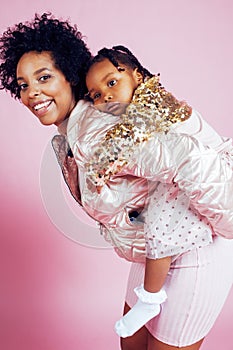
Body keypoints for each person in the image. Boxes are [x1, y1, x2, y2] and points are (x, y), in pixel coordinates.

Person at [0, 14, 233, 350]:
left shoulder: (97, 131)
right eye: (23, 85)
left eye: (44, 77)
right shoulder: (69, 137)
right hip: (156, 249)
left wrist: (229, 221)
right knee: (131, 344)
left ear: (70, 75)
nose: (32, 92)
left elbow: (188, 157)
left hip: (197, 246)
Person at [83, 46, 233, 338]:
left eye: (112, 83)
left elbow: (123, 142)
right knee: (160, 198)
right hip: (188, 181)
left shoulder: (152, 102)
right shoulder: (132, 108)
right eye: (96, 95)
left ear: (138, 76)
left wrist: (98, 170)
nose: (106, 97)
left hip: (217, 176)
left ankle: (150, 298)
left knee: (163, 212)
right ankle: (150, 296)